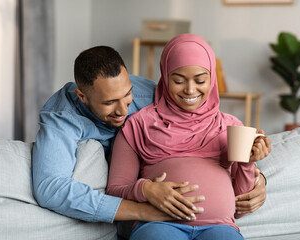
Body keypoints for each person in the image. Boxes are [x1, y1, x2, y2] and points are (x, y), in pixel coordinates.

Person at [32, 45, 267, 228]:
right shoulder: (60, 117)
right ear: (82, 97)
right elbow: (50, 188)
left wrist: (257, 178)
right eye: (109, 103)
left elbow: (202, 133)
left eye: (126, 95)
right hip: (138, 203)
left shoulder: (149, 94)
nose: (123, 110)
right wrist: (142, 209)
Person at [106, 34, 271, 240]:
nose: (190, 90)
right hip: (159, 225)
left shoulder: (231, 126)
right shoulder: (138, 125)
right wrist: (146, 189)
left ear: (211, 80)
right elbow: (114, 191)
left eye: (200, 80)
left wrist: (248, 162)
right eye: (178, 80)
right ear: (165, 78)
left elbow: (240, 208)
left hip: (220, 227)